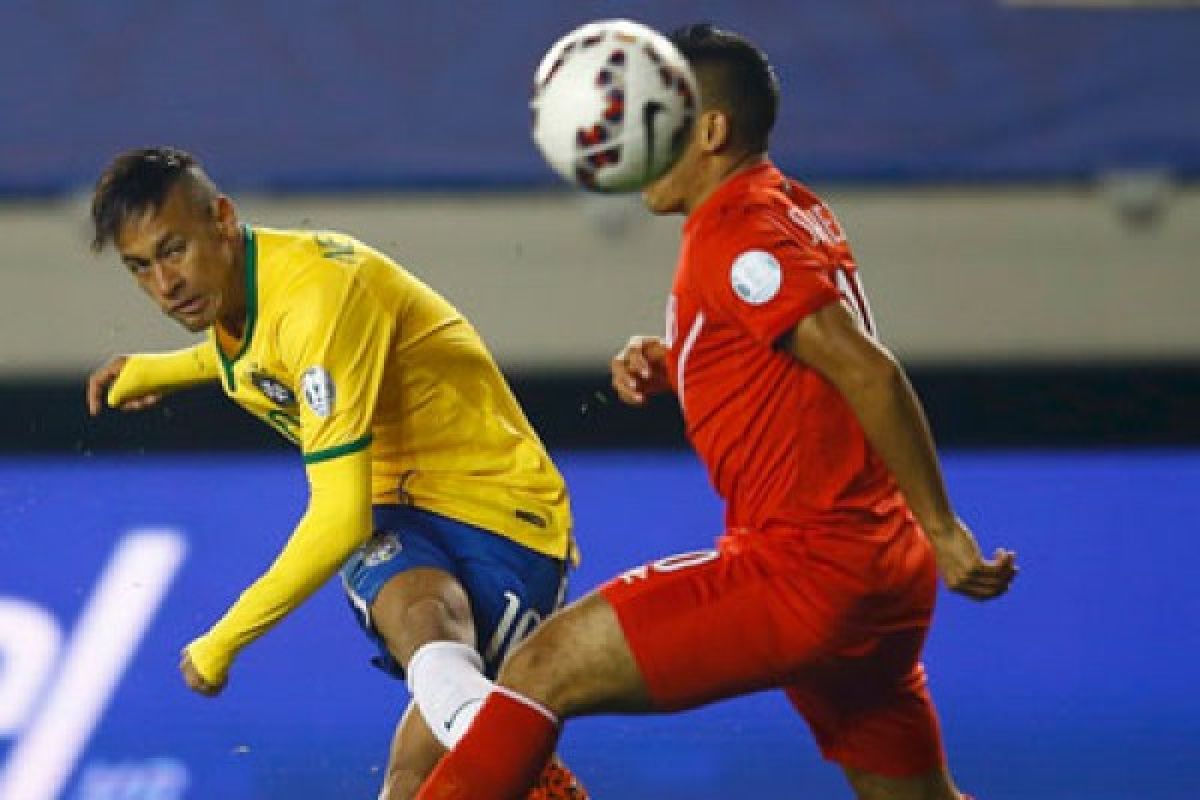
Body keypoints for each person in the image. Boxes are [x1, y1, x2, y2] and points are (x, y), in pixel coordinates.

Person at [415, 24, 1018, 800]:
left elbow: (867, 371)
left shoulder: (737, 234)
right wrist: (683, 359)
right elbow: (796, 358)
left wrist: (945, 527)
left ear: (710, 130)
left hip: (805, 568)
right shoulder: (786, 205)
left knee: (542, 666)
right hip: (878, 574)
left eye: (656, 111)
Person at [84, 147, 588, 800]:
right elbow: (265, 354)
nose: (164, 284)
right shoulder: (251, 293)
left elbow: (338, 517)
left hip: (504, 516)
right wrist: (158, 370)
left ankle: (515, 760)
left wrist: (223, 640)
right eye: (139, 268)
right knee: (408, 773)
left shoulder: (320, 295)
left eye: (173, 249)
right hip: (401, 509)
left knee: (433, 732)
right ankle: (504, 746)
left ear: (223, 219)